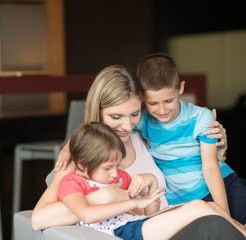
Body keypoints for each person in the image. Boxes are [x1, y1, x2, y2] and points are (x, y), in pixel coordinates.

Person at [31, 65, 228, 233]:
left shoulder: (142, 135)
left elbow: (187, 165)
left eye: (134, 114)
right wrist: (100, 197)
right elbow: (38, 219)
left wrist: (217, 148)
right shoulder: (80, 157)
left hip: (178, 218)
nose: (127, 126)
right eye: (116, 117)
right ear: (97, 110)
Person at [57, 122, 246, 240]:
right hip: (123, 231)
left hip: (140, 222)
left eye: (117, 165)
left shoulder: (120, 177)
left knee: (203, 205)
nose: (116, 173)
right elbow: (87, 215)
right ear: (82, 165)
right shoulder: (72, 182)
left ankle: (239, 229)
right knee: (199, 209)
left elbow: (146, 212)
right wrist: (134, 202)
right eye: (108, 168)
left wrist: (150, 190)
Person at [135, 52, 246, 224]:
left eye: (169, 100)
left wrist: (224, 215)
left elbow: (210, 167)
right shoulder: (141, 120)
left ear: (181, 88)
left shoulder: (201, 117)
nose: (162, 110)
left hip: (222, 185)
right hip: (184, 200)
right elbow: (113, 121)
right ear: (142, 97)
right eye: (153, 103)